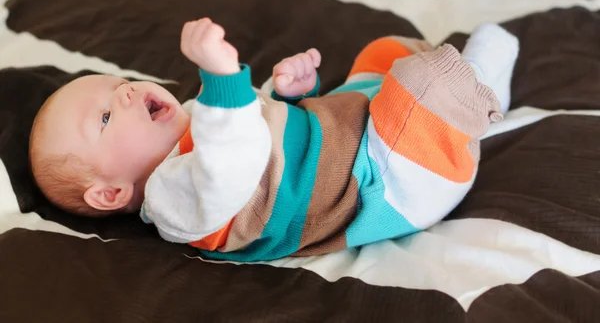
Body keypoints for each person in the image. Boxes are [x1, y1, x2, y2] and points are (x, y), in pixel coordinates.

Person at [29, 18, 519, 262]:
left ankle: (461, 94)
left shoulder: (199, 116)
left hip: (349, 134)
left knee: (383, 50)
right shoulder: (172, 200)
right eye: (107, 115)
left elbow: (259, 132)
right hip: (387, 182)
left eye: (118, 83)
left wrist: (285, 94)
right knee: (425, 85)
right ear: (110, 193)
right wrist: (222, 76)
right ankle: (481, 85)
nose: (129, 89)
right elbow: (234, 165)